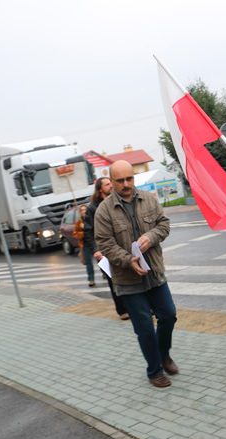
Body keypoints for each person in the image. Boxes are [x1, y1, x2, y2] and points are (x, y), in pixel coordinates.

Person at [94, 160, 178, 388]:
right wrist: (127, 259)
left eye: (129, 178)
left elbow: (164, 225)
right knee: (144, 328)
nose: (125, 184)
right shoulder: (104, 211)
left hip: (155, 273)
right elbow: (105, 243)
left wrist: (150, 238)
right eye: (119, 180)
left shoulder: (148, 199)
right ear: (111, 182)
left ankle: (164, 354)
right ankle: (154, 371)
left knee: (169, 316)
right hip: (128, 280)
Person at [83, 176, 129, 320]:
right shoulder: (92, 208)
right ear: (100, 188)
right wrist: (95, 250)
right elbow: (88, 231)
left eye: (111, 183)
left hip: (121, 245)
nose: (111, 186)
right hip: (103, 249)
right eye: (107, 184)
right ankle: (122, 310)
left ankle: (139, 307)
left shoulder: (117, 200)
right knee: (113, 280)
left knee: (131, 276)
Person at [75, 204, 96, 287]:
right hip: (85, 245)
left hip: (94, 242)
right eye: (82, 210)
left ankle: (105, 273)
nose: (84, 211)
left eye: (85, 210)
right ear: (80, 212)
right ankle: (91, 279)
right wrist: (82, 232)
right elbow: (75, 234)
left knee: (100, 260)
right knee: (88, 263)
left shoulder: (92, 219)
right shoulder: (79, 223)